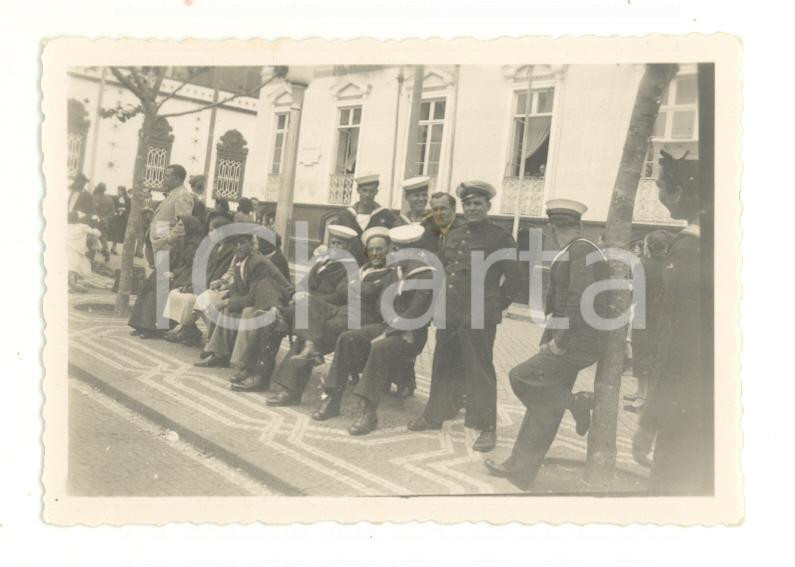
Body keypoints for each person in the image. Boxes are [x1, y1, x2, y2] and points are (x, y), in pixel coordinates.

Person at [484, 199, 608, 489]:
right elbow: (565, 302)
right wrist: (549, 338)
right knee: (543, 407)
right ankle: (519, 469)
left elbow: (578, 300)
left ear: (551, 229)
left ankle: (576, 403)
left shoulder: (581, 250)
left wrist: (560, 342)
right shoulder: (577, 248)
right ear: (578, 225)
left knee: (521, 377)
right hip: (570, 338)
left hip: (576, 342)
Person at [408, 181, 522, 453]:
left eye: (477, 204)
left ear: (488, 206)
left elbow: (515, 280)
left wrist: (493, 305)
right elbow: (443, 271)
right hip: (450, 312)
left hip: (479, 315)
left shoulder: (500, 237)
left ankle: (486, 427)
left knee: (479, 370)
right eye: (468, 204)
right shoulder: (454, 234)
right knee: (442, 364)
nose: (472, 208)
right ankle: (434, 414)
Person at [632, 150, 710, 495]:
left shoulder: (687, 250)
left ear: (678, 192)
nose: (659, 196)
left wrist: (650, 421)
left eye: (661, 187)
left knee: (668, 491)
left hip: (686, 405)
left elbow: (675, 345)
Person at [347, 224, 437, 435]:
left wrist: (387, 332)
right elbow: (381, 302)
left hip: (411, 335)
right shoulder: (395, 271)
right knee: (349, 337)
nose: (399, 254)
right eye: (397, 249)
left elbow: (415, 312)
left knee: (380, 348)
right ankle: (332, 396)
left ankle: (369, 413)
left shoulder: (425, 274)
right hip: (389, 327)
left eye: (405, 250)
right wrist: (385, 327)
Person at [266, 225, 361, 407]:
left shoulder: (351, 268)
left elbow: (341, 297)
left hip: (329, 310)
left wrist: (310, 299)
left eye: (340, 244)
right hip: (308, 307)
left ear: (349, 247)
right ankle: (259, 373)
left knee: (306, 334)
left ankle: (291, 391)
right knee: (270, 319)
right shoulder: (322, 262)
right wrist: (297, 294)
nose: (335, 247)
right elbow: (303, 283)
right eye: (333, 242)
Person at [308, 227, 396, 421]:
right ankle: (294, 381)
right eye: (371, 249)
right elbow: (342, 290)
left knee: (337, 334)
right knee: (310, 319)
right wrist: (363, 289)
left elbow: (375, 295)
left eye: (379, 249)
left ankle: (331, 398)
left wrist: (357, 288)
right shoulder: (363, 269)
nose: (374, 253)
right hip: (347, 312)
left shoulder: (391, 272)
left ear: (389, 250)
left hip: (369, 319)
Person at [195, 234, 292, 392]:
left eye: (242, 243)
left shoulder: (258, 263)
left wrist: (229, 302)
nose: (238, 247)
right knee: (227, 310)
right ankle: (218, 353)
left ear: (252, 245)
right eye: (235, 244)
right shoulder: (239, 260)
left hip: (274, 300)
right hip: (257, 298)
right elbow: (238, 287)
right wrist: (229, 299)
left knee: (246, 312)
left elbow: (253, 295)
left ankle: (243, 364)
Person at [163, 215, 237, 347]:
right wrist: (192, 285)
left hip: (219, 286)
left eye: (212, 230)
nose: (209, 234)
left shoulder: (231, 250)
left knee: (195, 300)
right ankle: (188, 328)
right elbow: (205, 270)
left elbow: (223, 273)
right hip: (209, 284)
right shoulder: (214, 248)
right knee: (176, 293)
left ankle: (212, 337)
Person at [128, 215, 203, 339]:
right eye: (177, 224)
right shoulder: (179, 242)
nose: (177, 227)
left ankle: (152, 328)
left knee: (159, 289)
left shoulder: (197, 246)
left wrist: (175, 273)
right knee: (149, 285)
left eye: (181, 225)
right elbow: (169, 260)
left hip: (185, 277)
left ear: (190, 227)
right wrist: (162, 271)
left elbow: (192, 267)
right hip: (173, 273)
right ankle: (140, 325)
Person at [624, 229, 671, 412]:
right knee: (651, 355)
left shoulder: (641, 265)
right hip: (660, 317)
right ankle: (641, 392)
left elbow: (634, 292)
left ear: (648, 246)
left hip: (642, 315)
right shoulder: (668, 265)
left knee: (641, 355)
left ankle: (642, 397)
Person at [333, 174, 405, 261]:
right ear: (358, 190)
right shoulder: (345, 215)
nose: (367, 195)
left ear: (376, 192)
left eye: (371, 191)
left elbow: (395, 241)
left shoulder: (386, 215)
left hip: (376, 263)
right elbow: (336, 241)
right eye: (364, 190)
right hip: (350, 263)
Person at [149, 164, 195, 254]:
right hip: (160, 239)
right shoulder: (174, 192)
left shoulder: (183, 195)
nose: (164, 179)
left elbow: (183, 223)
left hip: (166, 244)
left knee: (163, 263)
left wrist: (169, 240)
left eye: (167, 176)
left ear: (177, 179)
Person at [67, 211, 101, 293]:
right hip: (76, 250)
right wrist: (96, 225)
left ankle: (72, 285)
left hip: (66, 248)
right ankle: (72, 285)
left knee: (71, 266)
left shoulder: (65, 226)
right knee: (74, 267)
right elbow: (98, 233)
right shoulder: (82, 226)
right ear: (77, 218)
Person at [92, 183, 115, 262]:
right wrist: (106, 218)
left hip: (94, 221)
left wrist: (98, 217)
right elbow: (113, 211)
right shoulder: (109, 199)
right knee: (103, 238)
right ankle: (106, 253)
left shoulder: (94, 197)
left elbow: (92, 209)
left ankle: (91, 256)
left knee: (92, 238)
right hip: (104, 222)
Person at [108, 186, 130, 255]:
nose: (118, 192)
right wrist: (117, 210)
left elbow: (129, 208)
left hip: (122, 218)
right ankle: (113, 247)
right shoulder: (115, 198)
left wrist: (124, 210)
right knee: (114, 232)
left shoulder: (127, 199)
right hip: (115, 217)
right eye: (117, 191)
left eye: (119, 191)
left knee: (118, 233)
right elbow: (112, 206)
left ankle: (114, 247)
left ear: (123, 191)